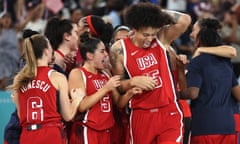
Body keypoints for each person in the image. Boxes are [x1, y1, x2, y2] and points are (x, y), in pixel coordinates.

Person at [109, 2, 191, 144]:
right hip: (142, 114)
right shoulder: (119, 49)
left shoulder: (160, 38)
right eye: (145, 35)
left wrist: (154, 14)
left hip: (169, 110)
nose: (149, 39)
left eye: (152, 34)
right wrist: (132, 82)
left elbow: (185, 20)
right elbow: (119, 86)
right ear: (134, 29)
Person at [7, 34, 84, 144]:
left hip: (27, 136)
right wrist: (77, 100)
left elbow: (21, 117)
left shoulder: (20, 78)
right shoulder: (57, 77)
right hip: (50, 134)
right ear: (46, 51)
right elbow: (67, 116)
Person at [179, 18, 240, 144]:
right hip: (228, 126)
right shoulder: (226, 62)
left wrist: (175, 94)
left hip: (204, 126)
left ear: (200, 38)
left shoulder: (197, 62)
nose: (191, 34)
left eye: (194, 30)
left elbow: (192, 94)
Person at [67, 33, 121, 144]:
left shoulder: (105, 73)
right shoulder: (78, 73)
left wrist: (131, 90)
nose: (106, 54)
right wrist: (106, 88)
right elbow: (81, 106)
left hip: (106, 130)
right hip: (87, 129)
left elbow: (118, 102)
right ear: (90, 56)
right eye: (102, 51)